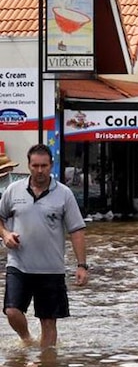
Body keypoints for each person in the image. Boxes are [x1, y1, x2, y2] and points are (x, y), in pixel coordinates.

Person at [0, 144, 88, 348]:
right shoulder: (14, 190)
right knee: (12, 311)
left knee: (48, 322)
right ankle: (26, 339)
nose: (40, 171)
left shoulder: (64, 194)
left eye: (44, 166)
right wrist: (5, 234)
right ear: (29, 166)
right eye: (35, 166)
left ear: (52, 166)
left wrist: (82, 265)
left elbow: (77, 231)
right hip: (19, 264)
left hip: (51, 269)